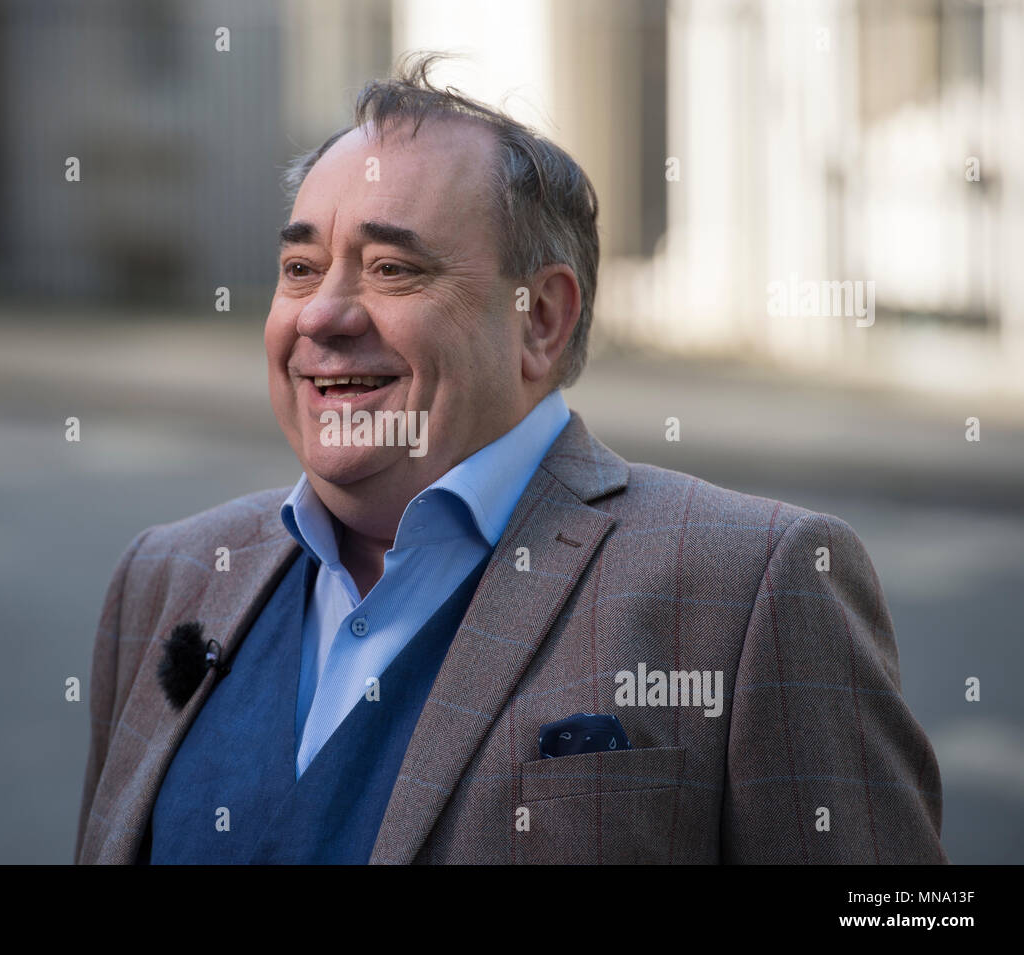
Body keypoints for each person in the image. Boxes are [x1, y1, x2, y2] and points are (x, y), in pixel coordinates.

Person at [75, 53, 946, 864]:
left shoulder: (750, 585)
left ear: (540, 318)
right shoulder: (169, 575)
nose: (321, 316)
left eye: (391, 269)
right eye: (300, 267)